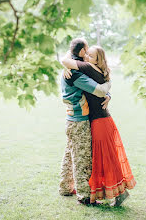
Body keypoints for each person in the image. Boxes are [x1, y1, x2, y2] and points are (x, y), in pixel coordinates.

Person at [62, 44, 136, 206]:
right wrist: (108, 93)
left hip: (100, 122)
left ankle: (119, 193)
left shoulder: (87, 67)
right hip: (103, 120)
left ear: (97, 60)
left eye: (91, 55)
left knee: (106, 159)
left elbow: (66, 59)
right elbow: (103, 87)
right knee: (107, 158)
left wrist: (64, 64)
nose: (86, 57)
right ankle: (117, 193)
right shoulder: (99, 71)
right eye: (86, 53)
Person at [59, 38, 111, 206]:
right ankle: (84, 196)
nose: (88, 54)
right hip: (79, 120)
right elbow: (98, 90)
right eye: (87, 51)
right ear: (81, 52)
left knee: (69, 154)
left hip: (71, 120)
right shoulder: (75, 74)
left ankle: (65, 187)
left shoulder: (70, 69)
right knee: (82, 158)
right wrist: (108, 88)